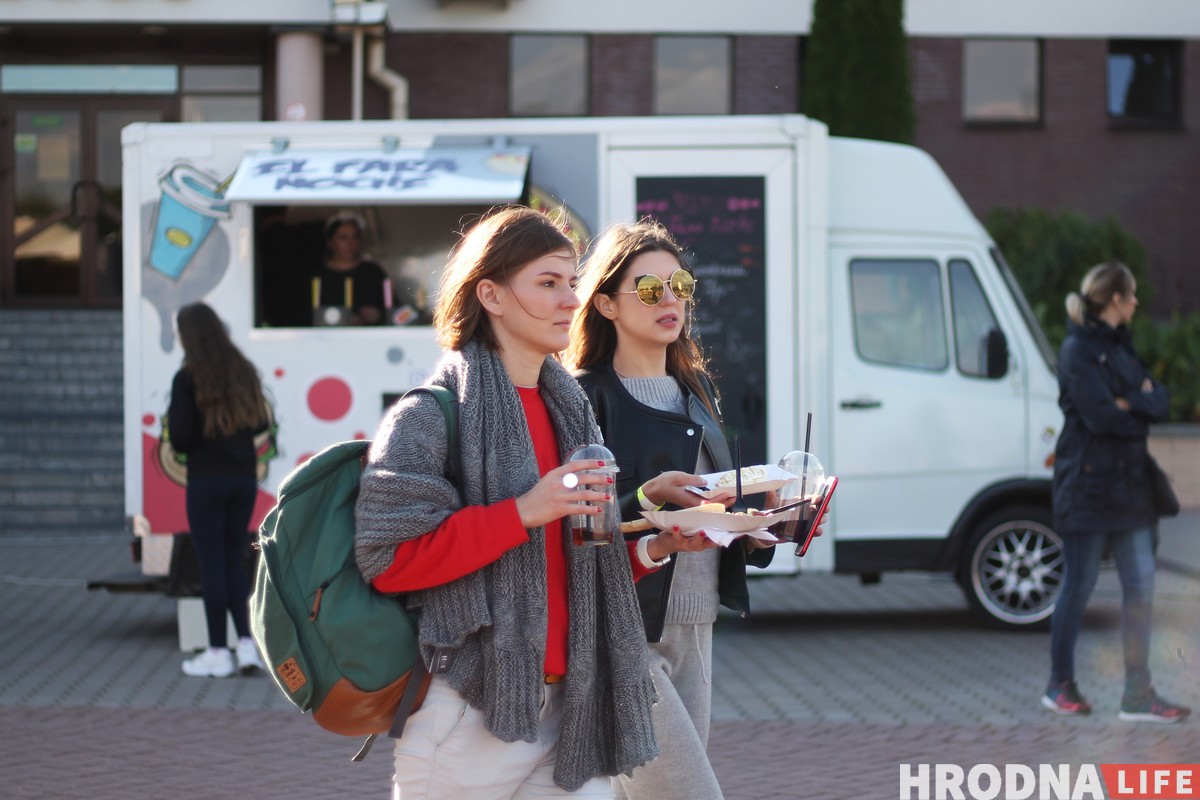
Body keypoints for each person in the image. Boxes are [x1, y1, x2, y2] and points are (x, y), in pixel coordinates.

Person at [353, 206, 710, 799]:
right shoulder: (429, 415)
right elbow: (388, 561)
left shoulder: (571, 413)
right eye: (547, 284)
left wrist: (654, 545)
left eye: (571, 283)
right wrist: (523, 512)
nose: (569, 301)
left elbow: (579, 573)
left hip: (573, 712)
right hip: (468, 712)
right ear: (489, 294)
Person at [564, 220, 777, 800]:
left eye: (679, 284)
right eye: (651, 288)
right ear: (605, 303)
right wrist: (647, 501)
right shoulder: (584, 397)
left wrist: (762, 527)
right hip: (623, 630)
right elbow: (575, 521)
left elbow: (715, 499)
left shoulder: (696, 391)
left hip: (696, 624)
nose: (672, 300)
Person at [1043, 261, 1190, 723]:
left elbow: (1161, 401)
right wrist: (1132, 404)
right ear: (1115, 300)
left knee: (1141, 587)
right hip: (1087, 484)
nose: (1138, 303)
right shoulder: (1077, 350)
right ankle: (1059, 685)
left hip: (1130, 487)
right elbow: (1100, 416)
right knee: (1079, 585)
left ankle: (1137, 694)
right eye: (1132, 295)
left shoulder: (1122, 348)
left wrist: (1134, 402)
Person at [168, 302, 268, 678]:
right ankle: (245, 645)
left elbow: (178, 437)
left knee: (211, 563)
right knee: (233, 559)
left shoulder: (187, 378)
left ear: (188, 335)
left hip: (206, 480)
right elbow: (260, 421)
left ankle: (216, 651)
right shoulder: (241, 370)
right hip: (242, 478)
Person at [310, 211, 388, 325]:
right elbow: (306, 315)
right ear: (330, 242)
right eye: (343, 238)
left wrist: (379, 314)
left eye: (355, 237)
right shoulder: (318, 276)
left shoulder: (372, 271)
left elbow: (394, 309)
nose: (350, 243)